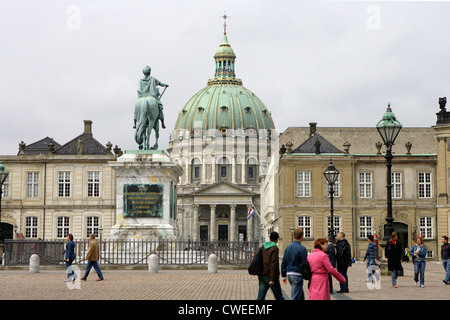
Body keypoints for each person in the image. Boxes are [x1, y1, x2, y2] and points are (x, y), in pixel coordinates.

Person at [281, 228, 308, 300]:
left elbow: (284, 262)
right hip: (297, 274)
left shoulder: (288, 247)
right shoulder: (302, 248)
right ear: (302, 236)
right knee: (295, 297)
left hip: (289, 274)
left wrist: (283, 275)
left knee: (300, 295)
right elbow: (305, 264)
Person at [257, 232, 284, 300]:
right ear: (277, 239)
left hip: (262, 275)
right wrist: (272, 279)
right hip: (270, 276)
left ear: (269, 238)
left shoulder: (262, 247)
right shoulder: (274, 248)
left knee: (260, 297)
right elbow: (273, 264)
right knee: (279, 296)